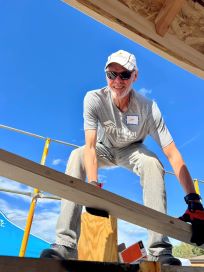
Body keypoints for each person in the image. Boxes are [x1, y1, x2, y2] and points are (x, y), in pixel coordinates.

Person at [41, 50, 204, 265]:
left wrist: (194, 200)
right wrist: (92, 187)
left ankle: (159, 249)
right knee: (76, 155)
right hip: (103, 147)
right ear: (106, 75)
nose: (118, 81)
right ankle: (66, 244)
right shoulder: (94, 99)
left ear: (135, 76)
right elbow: (90, 146)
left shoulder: (148, 108)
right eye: (112, 75)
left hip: (132, 151)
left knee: (152, 163)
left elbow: (172, 152)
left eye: (124, 75)